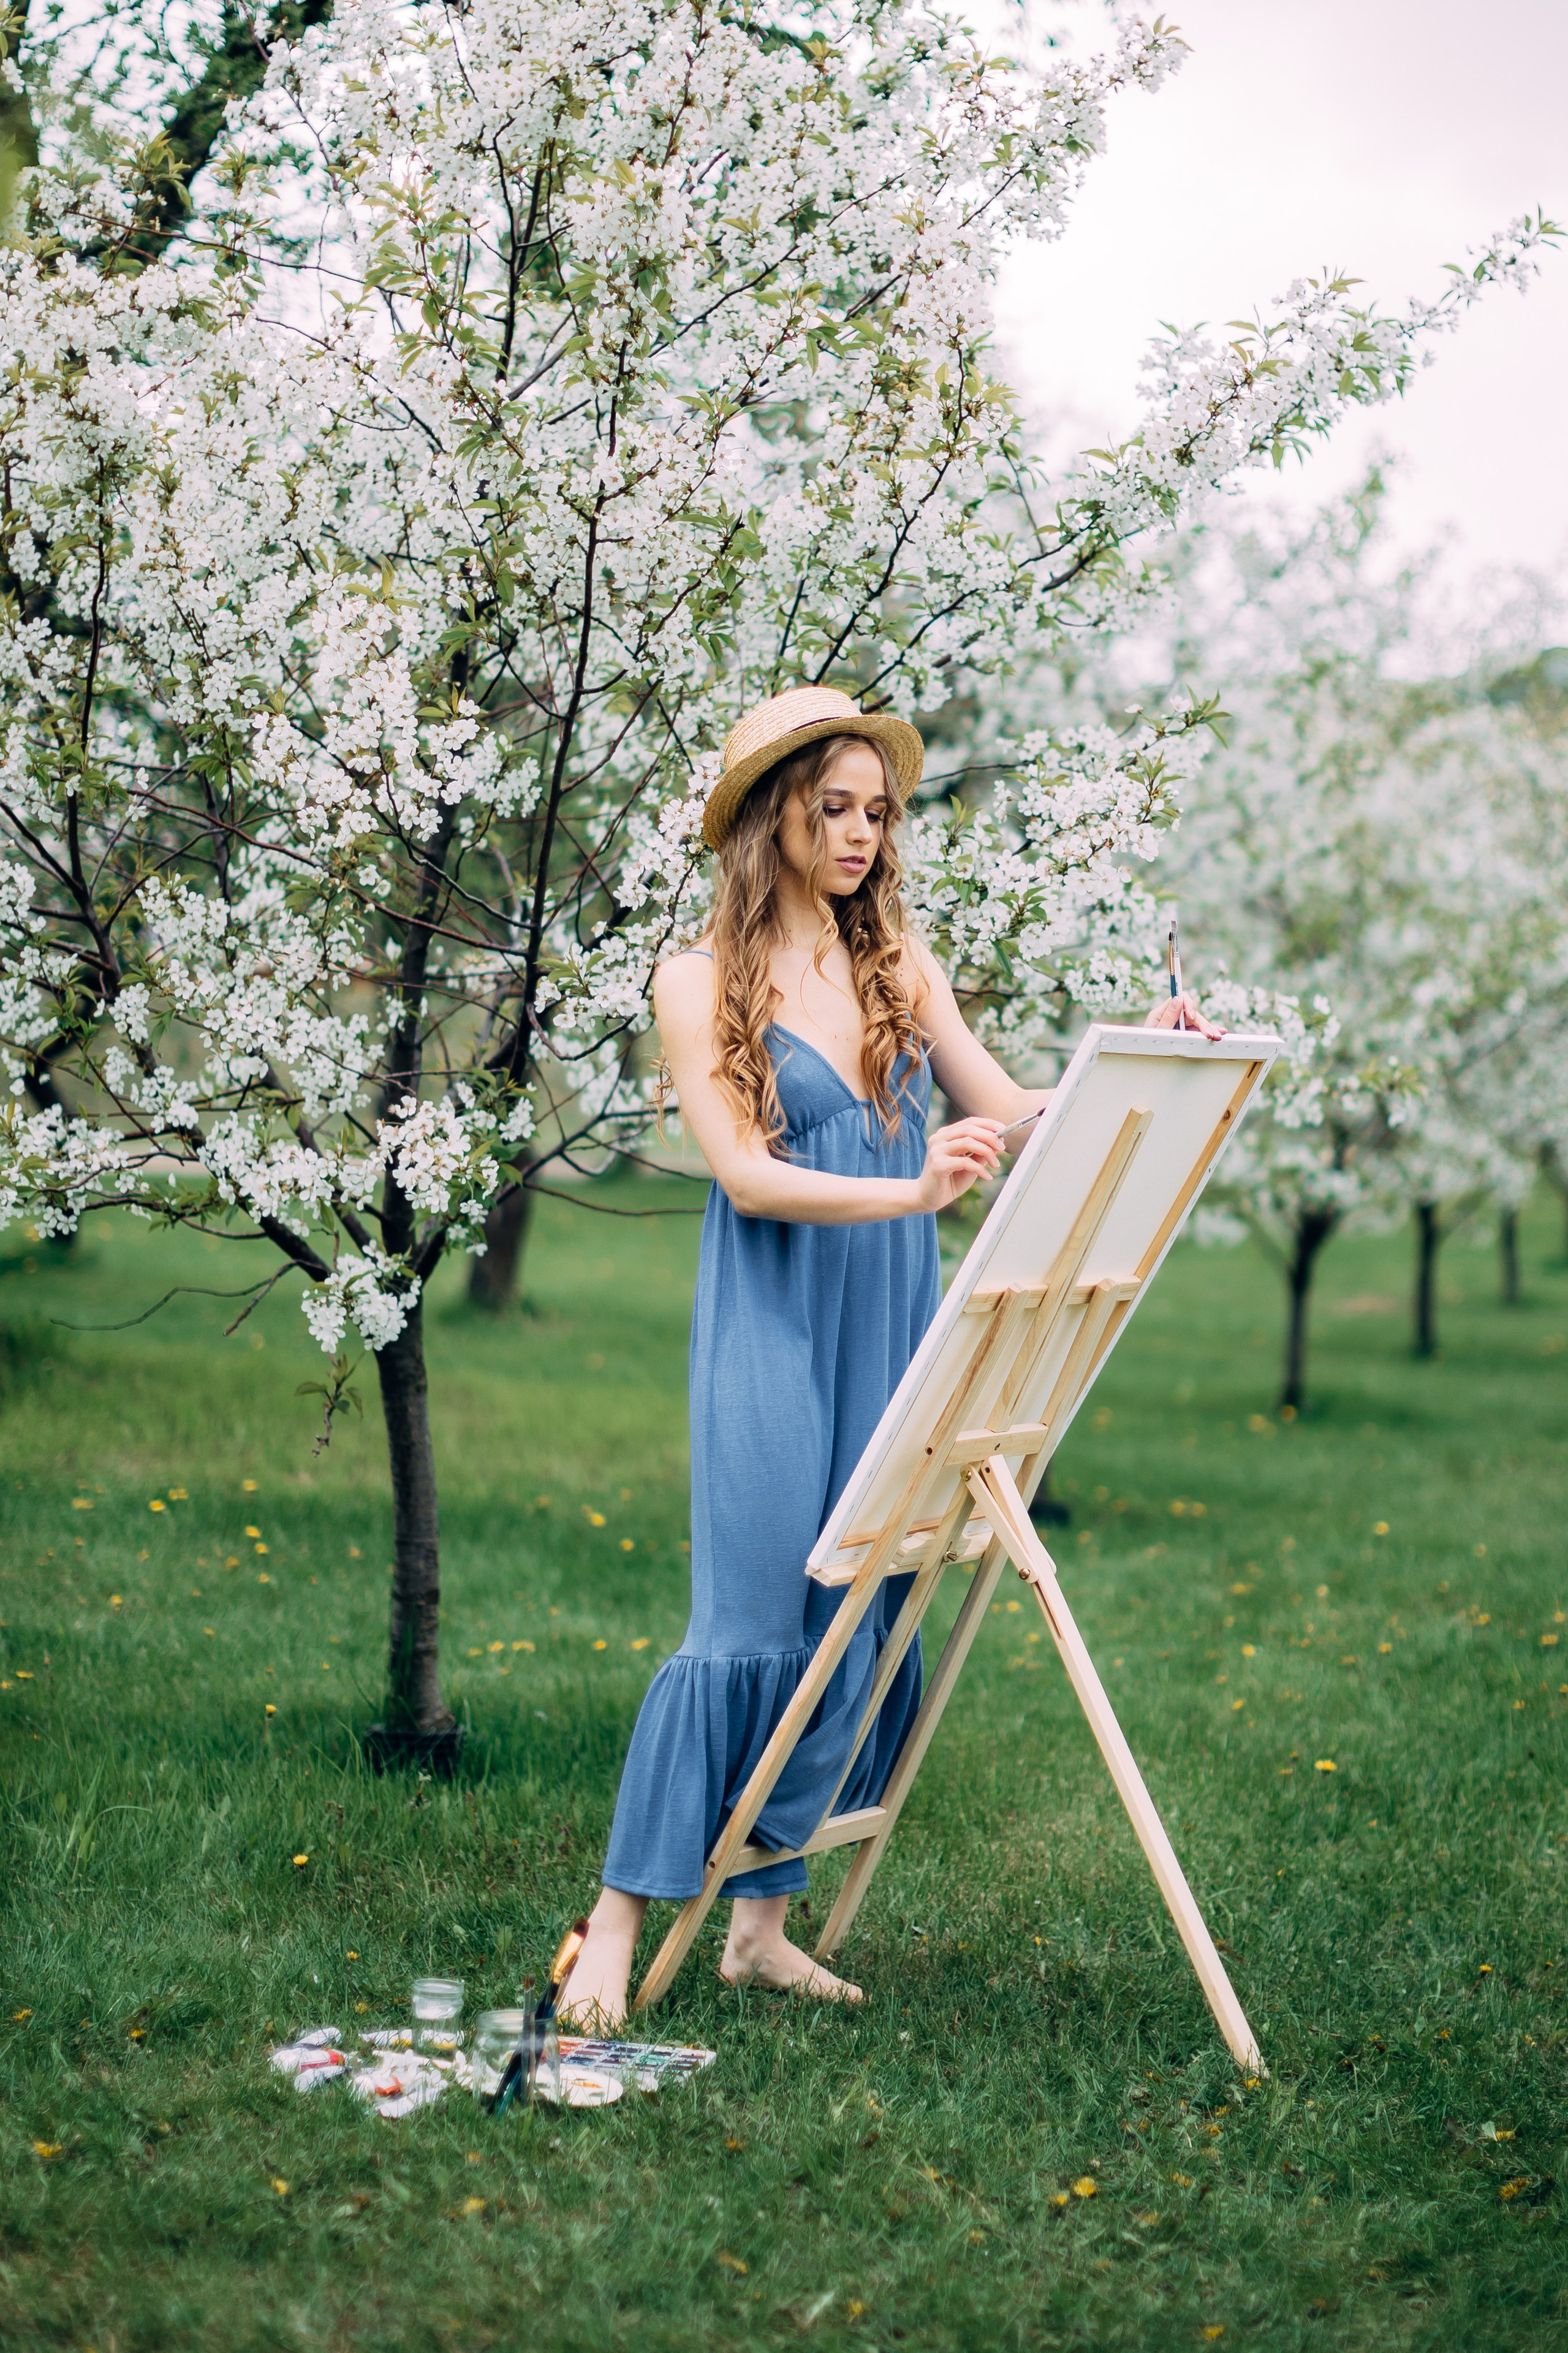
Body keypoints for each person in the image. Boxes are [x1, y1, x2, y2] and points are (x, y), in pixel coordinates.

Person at [558, 685, 1218, 2026]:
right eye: (834, 806)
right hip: (772, 1313)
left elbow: (1014, 1110)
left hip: (893, 1314)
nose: (860, 833)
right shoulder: (697, 980)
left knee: (862, 1608)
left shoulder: (895, 962)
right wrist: (911, 1194)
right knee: (745, 1617)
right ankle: (618, 1924)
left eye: (878, 811)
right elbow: (744, 1176)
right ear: (769, 815)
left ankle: (760, 1928)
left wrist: (1147, 1061)